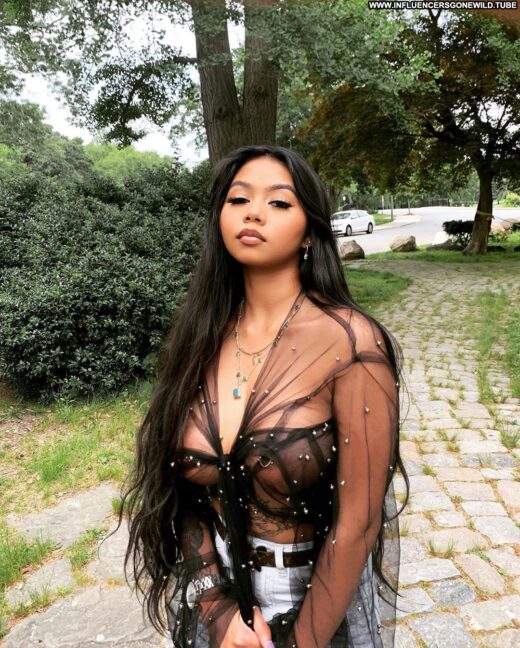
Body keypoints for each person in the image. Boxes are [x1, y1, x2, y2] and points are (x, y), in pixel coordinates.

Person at [115, 144, 410, 648]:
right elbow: (178, 491)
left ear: (310, 231)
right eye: (239, 199)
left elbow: (358, 524)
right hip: (217, 602)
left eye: (278, 202)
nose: (253, 212)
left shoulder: (353, 345)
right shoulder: (200, 335)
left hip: (316, 604)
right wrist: (218, 609)